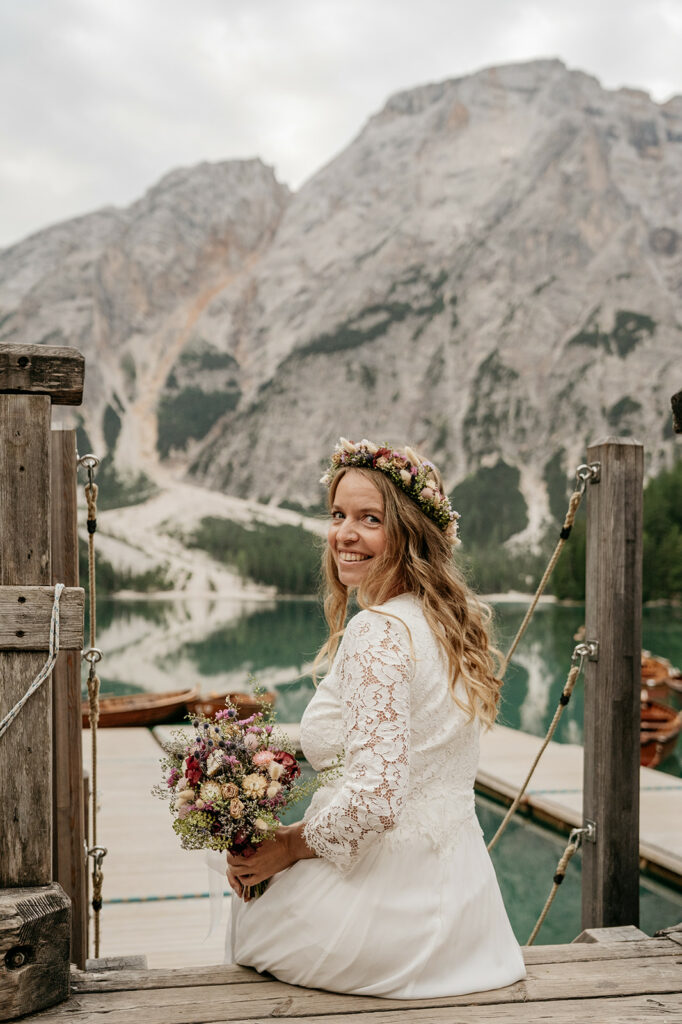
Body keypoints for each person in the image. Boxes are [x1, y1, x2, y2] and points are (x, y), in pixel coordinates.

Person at [226, 438, 526, 998]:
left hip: (382, 922)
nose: (345, 533)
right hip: (468, 924)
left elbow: (377, 798)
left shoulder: (379, 630)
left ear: (410, 533)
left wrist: (286, 846)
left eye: (371, 519)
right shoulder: (441, 626)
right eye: (338, 515)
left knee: (251, 924)